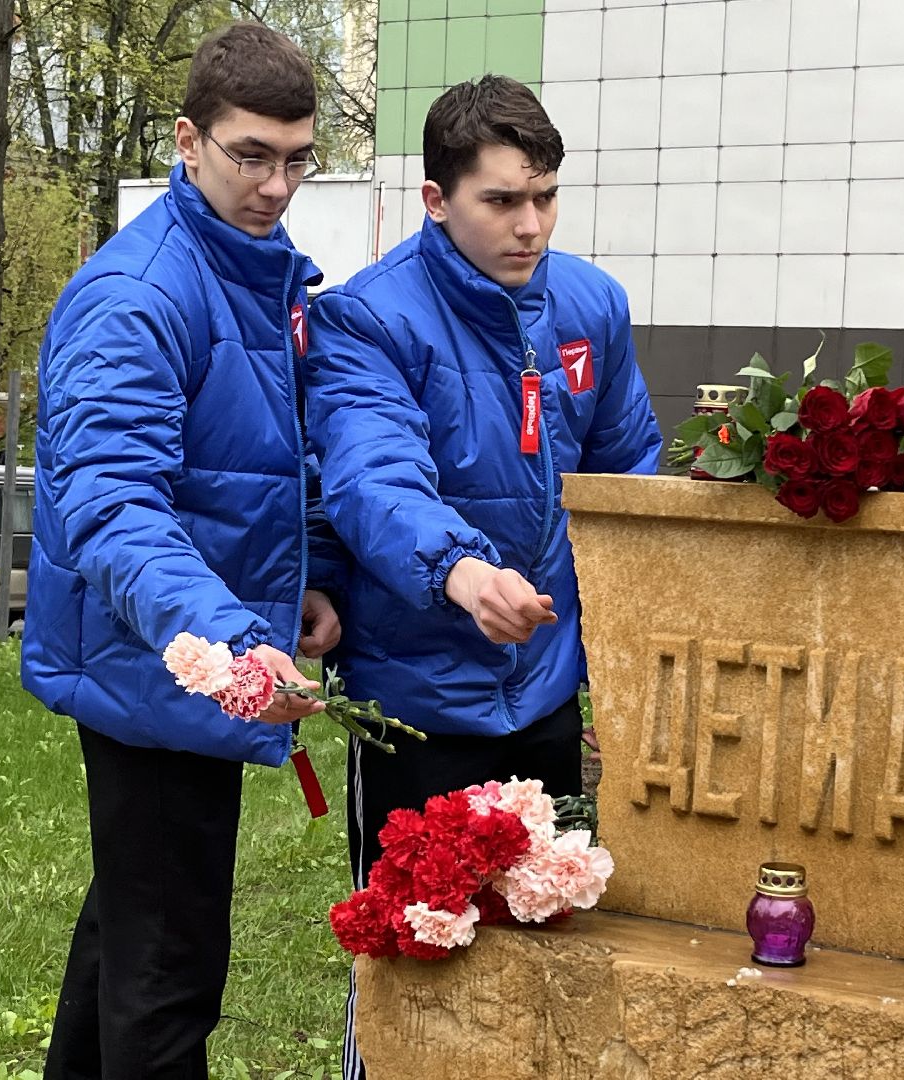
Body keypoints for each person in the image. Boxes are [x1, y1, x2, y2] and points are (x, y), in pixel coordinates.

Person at [302, 75, 662, 1078]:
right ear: (435, 200)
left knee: (537, 930)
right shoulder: (369, 321)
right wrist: (460, 570)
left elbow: (629, 472)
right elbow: (373, 480)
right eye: (501, 201)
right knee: (413, 945)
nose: (530, 224)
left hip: (544, 685)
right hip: (420, 691)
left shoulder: (591, 304)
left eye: (544, 196)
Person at [20, 21, 345, 1078]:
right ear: (187, 139)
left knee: (128, 941)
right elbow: (114, 508)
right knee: (169, 977)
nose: (277, 185)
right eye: (252, 154)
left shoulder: (249, 273)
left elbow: (258, 464)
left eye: (298, 158)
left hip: (190, 659)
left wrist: (305, 583)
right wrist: (232, 647)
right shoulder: (140, 296)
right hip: (161, 666)